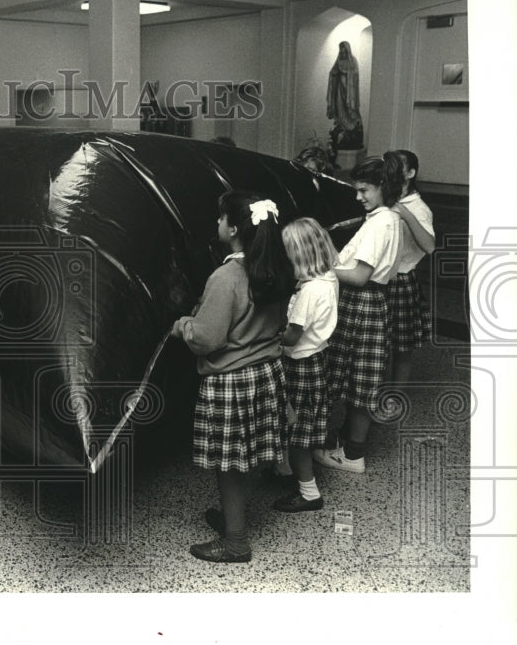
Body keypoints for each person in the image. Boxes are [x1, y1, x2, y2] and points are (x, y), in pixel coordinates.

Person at [171, 191, 294, 563]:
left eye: (221, 218)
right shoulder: (277, 267)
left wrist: (184, 327)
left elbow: (208, 338)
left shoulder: (227, 276)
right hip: (266, 374)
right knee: (244, 459)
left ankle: (236, 541)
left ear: (235, 227)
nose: (217, 224)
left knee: (229, 466)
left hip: (231, 381)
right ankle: (232, 516)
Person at [313, 154, 404, 474]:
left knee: (354, 380)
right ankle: (351, 448)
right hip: (371, 304)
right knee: (360, 379)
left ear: (382, 186)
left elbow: (359, 276)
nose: (357, 196)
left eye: (364, 189)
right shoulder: (387, 217)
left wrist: (321, 267)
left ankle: (352, 455)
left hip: (360, 302)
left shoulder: (380, 223)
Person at [273, 217, 339, 512]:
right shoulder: (327, 279)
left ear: (299, 254)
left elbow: (292, 335)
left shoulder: (309, 292)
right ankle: (286, 472)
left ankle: (309, 493)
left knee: (298, 434)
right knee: (302, 426)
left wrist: (270, 335)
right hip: (317, 359)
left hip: (300, 364)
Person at [388, 149, 434, 383]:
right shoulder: (387, 199)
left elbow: (429, 245)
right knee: (378, 343)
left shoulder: (418, 208)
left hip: (401, 280)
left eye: (396, 167)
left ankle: (395, 397)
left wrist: (405, 214)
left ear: (410, 173)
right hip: (380, 279)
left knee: (402, 347)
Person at [326, 41, 363, 137]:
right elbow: (332, 72)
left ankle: (351, 126)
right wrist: (335, 74)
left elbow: (355, 75)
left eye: (343, 51)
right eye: (340, 52)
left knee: (349, 108)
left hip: (350, 91)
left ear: (347, 51)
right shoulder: (338, 61)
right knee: (339, 106)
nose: (342, 53)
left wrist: (347, 74)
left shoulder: (353, 61)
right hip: (339, 89)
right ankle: (342, 126)